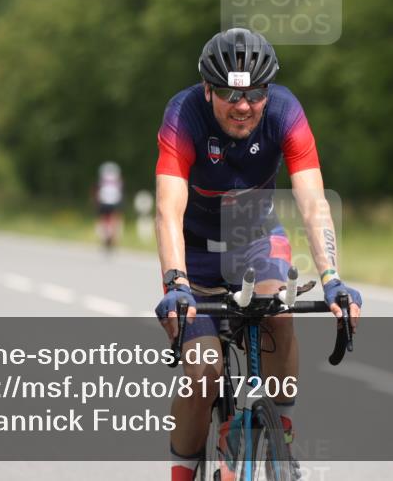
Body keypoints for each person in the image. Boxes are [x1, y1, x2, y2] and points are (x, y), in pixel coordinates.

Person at [154, 28, 363, 481]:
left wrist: (332, 280)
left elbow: (312, 202)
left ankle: (280, 431)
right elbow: (168, 208)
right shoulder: (184, 114)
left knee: (279, 310)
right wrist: (176, 284)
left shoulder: (285, 111)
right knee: (204, 372)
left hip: (256, 237)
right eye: (230, 93)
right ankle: (181, 473)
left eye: (255, 93)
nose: (243, 105)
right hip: (197, 253)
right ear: (208, 89)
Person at [95, 161, 124, 252]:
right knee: (115, 219)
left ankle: (104, 237)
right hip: (115, 201)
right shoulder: (117, 180)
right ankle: (114, 238)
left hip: (104, 201)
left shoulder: (102, 180)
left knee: (104, 219)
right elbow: (120, 189)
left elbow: (98, 190)